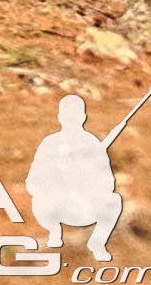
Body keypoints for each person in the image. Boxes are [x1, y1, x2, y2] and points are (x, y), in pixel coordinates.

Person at [25, 94, 127, 261]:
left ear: (83, 117)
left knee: (114, 201)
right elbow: (33, 182)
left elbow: (108, 183)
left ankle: (97, 243)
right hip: (55, 208)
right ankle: (55, 233)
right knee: (39, 200)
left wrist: (87, 178)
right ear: (60, 118)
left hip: (83, 206)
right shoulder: (50, 143)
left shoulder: (92, 144)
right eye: (68, 116)